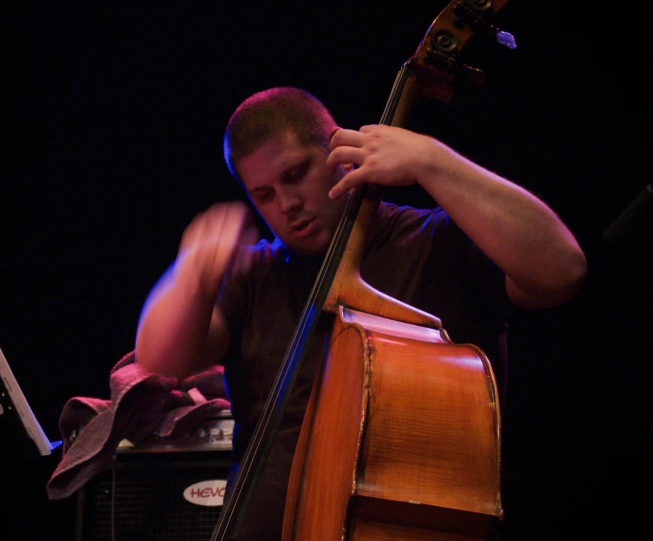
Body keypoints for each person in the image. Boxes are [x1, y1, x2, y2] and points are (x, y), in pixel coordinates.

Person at [134, 86, 587, 539]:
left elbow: (561, 271)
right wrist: (191, 275)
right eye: (264, 194)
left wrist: (432, 160)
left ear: (340, 152)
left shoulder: (437, 241)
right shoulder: (256, 273)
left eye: (296, 174)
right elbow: (161, 361)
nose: (286, 204)